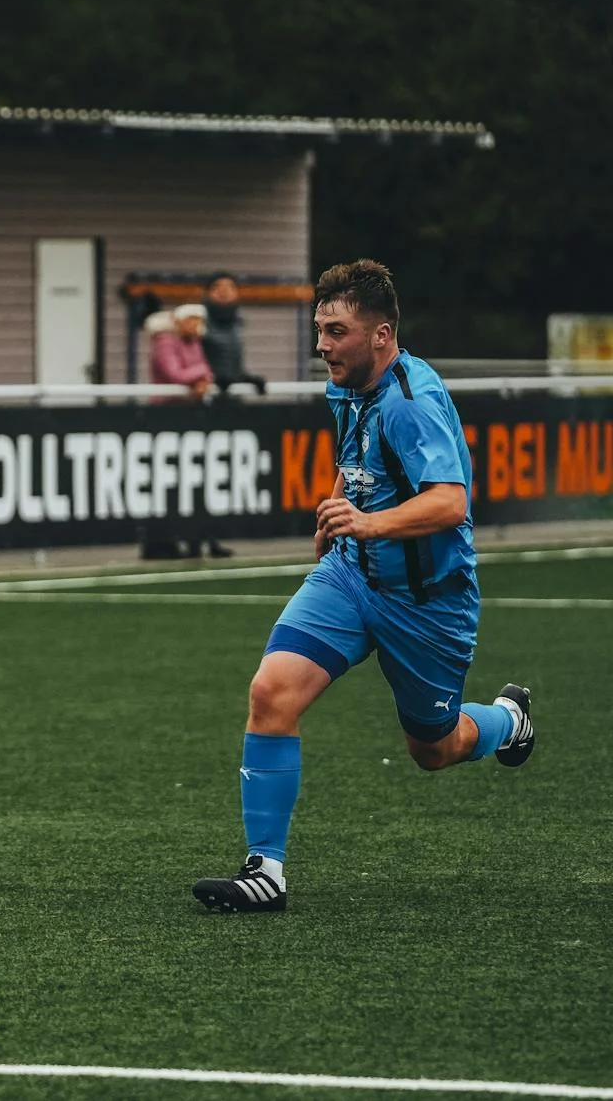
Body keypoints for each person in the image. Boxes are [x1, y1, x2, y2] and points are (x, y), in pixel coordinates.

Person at [192, 259, 535, 914]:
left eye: (336, 331)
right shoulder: (346, 384)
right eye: (319, 328)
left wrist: (368, 521)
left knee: (434, 751)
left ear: (381, 335)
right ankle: (265, 871)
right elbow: (358, 465)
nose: (321, 344)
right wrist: (337, 506)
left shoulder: (412, 401)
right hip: (351, 577)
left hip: (428, 604)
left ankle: (509, 721)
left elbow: (450, 504)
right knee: (271, 693)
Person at [144, 304, 232, 558]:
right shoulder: (165, 342)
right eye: (191, 320)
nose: (195, 325)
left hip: (187, 417)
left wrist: (200, 379)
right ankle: (165, 540)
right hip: (167, 417)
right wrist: (202, 376)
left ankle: (200, 539)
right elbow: (175, 373)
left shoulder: (193, 343)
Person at [203, 273, 269, 396]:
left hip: (231, 393)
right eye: (217, 287)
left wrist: (245, 378)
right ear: (207, 293)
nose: (224, 292)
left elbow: (233, 361)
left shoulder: (238, 321)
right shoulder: (198, 321)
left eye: (229, 287)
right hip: (204, 393)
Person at [150, 302, 215, 400]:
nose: (195, 324)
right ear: (178, 321)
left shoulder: (195, 343)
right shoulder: (165, 344)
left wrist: (201, 382)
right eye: (190, 320)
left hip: (189, 402)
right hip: (167, 404)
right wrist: (203, 370)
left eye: (198, 320)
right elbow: (175, 375)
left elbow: (206, 375)